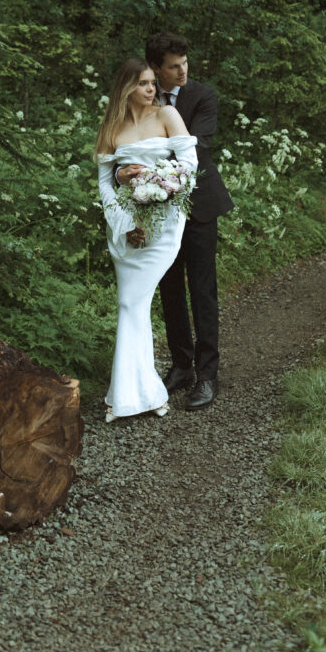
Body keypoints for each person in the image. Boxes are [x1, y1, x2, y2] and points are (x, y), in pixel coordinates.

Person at [117, 32, 232, 411]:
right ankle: (181, 366)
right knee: (168, 288)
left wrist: (149, 164)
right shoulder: (143, 97)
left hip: (198, 205)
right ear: (155, 68)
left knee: (202, 289)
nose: (182, 70)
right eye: (173, 66)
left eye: (185, 63)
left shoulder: (203, 96)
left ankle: (207, 375)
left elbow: (199, 145)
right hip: (156, 210)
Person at [95, 57, 198, 424]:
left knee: (131, 303)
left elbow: (188, 165)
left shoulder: (168, 116)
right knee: (130, 304)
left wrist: (158, 180)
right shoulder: (112, 126)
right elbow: (106, 182)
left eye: (153, 82)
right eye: (143, 83)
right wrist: (123, 223)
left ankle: (128, 396)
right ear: (126, 87)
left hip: (164, 222)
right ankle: (140, 394)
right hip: (126, 226)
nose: (152, 89)